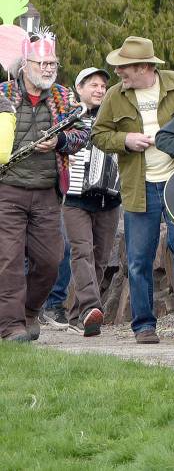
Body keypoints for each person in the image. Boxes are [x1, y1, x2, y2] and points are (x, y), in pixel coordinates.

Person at [92, 36, 174, 344]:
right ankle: (143, 325)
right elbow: (99, 134)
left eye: (124, 68)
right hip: (140, 186)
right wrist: (125, 140)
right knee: (139, 258)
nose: (118, 74)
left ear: (144, 67)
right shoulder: (115, 96)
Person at [0, 31, 89, 341]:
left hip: (47, 193)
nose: (50, 69)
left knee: (51, 260)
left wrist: (60, 140)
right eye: (44, 63)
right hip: (7, 190)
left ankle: (28, 311)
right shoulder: (3, 93)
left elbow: (82, 135)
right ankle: (11, 327)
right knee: (9, 260)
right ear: (25, 64)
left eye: (53, 63)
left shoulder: (63, 97)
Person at [63, 67, 121, 337]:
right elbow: (55, 144)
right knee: (82, 252)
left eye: (102, 86)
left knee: (99, 259)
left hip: (109, 197)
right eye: (93, 85)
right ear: (79, 89)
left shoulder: (114, 117)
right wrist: (64, 158)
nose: (99, 90)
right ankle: (90, 308)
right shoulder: (69, 117)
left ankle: (79, 316)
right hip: (75, 196)